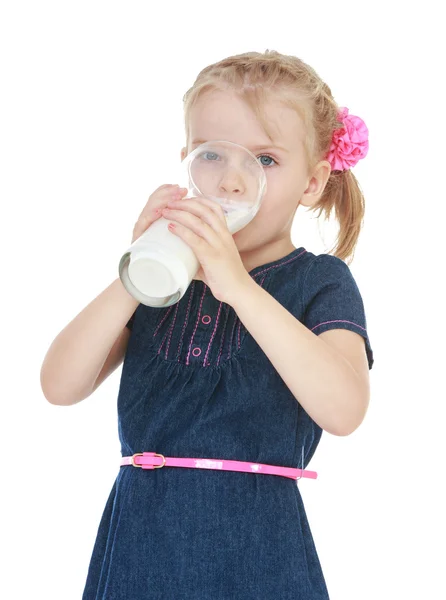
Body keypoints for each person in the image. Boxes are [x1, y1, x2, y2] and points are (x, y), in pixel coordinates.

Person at [41, 49, 374, 599]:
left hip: (258, 551)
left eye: (265, 160)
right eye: (212, 155)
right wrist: (136, 268)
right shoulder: (164, 277)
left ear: (312, 183)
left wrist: (236, 285)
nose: (233, 182)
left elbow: (344, 410)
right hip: (140, 547)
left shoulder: (321, 281)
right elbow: (59, 384)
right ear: (186, 163)